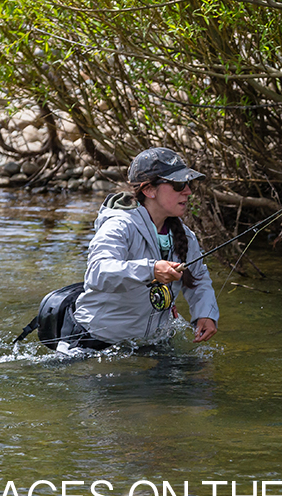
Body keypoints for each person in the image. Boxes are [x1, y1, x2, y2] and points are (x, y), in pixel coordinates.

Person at [56, 147, 220, 352]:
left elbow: (199, 279)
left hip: (151, 344)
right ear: (149, 190)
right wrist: (151, 269)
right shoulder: (119, 225)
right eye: (178, 184)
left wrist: (205, 314)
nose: (187, 191)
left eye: (188, 184)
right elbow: (98, 272)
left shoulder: (185, 236)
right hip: (94, 343)